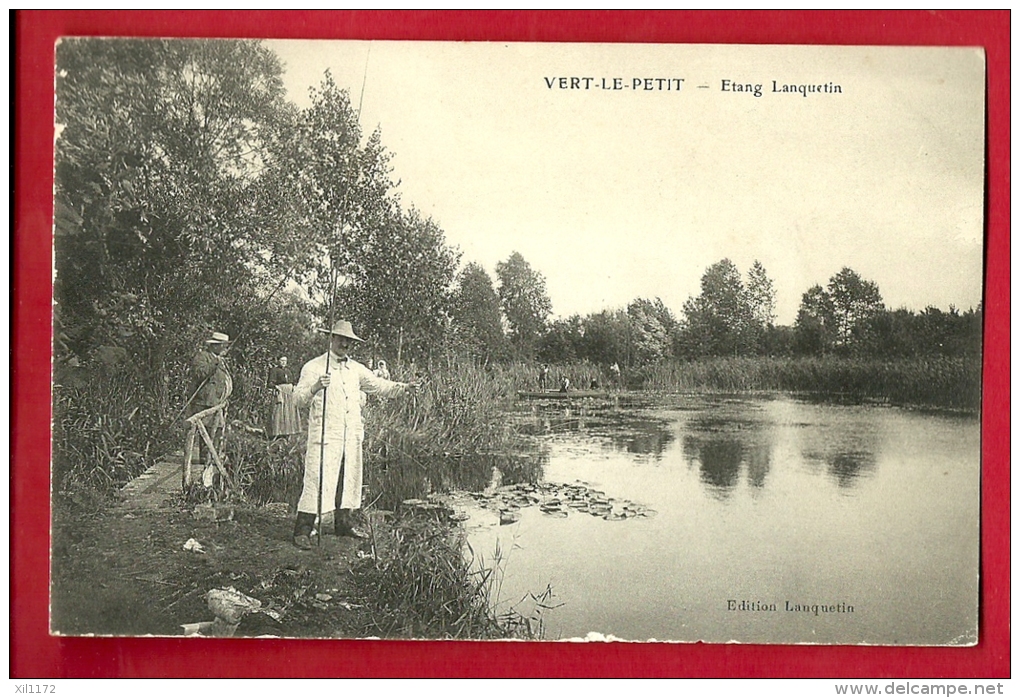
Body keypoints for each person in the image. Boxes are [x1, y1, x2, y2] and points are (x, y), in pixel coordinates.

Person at [291, 320, 416, 549]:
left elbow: (378, 385)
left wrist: (403, 387)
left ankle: (343, 524)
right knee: (316, 480)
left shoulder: (356, 369)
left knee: (346, 479)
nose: (344, 344)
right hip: (326, 435)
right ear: (332, 339)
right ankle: (302, 530)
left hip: (350, 436)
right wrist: (316, 387)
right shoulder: (314, 367)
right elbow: (297, 399)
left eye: (348, 341)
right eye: (340, 339)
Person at [185, 331, 232, 465]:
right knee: (206, 431)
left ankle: (213, 458)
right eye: (223, 346)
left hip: (217, 402)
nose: (225, 349)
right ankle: (205, 460)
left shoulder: (219, 359)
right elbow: (200, 373)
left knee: (217, 430)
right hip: (205, 402)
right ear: (215, 346)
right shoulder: (202, 356)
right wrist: (215, 363)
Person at [267, 356, 301, 439]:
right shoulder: (274, 370)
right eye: (281, 360)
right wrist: (276, 387)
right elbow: (270, 383)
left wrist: (294, 387)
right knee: (279, 412)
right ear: (278, 361)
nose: (283, 362)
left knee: (289, 412)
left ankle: (288, 432)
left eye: (285, 361)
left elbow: (293, 381)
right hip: (281, 393)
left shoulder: (288, 371)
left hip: (289, 394)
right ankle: (277, 432)